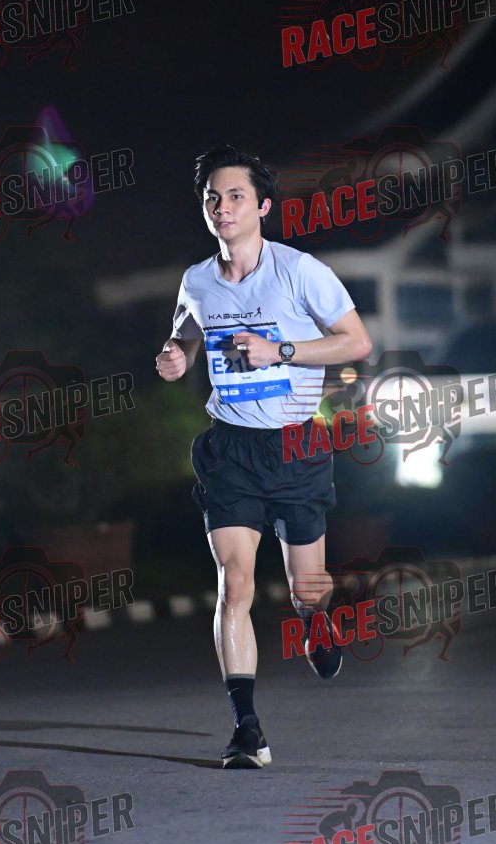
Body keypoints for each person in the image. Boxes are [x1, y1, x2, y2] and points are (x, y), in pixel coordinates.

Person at [155, 145, 372, 768]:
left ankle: (317, 622)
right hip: (230, 448)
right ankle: (246, 728)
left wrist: (281, 352)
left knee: (308, 590)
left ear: (263, 207)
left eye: (235, 197)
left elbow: (356, 342)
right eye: (212, 199)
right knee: (236, 583)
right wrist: (176, 357)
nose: (222, 208)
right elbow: (185, 334)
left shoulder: (300, 271)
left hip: (297, 443)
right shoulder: (197, 280)